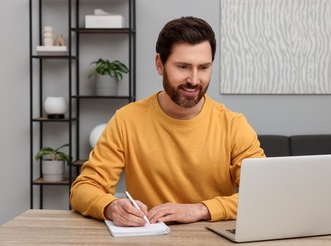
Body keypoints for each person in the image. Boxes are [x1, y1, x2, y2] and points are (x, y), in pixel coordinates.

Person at [70, 16, 265, 227]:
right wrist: (111, 207)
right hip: (149, 239)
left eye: (203, 68)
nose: (194, 80)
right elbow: (83, 188)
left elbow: (264, 192)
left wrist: (200, 209)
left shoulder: (233, 125)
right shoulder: (126, 120)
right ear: (159, 65)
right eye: (182, 67)